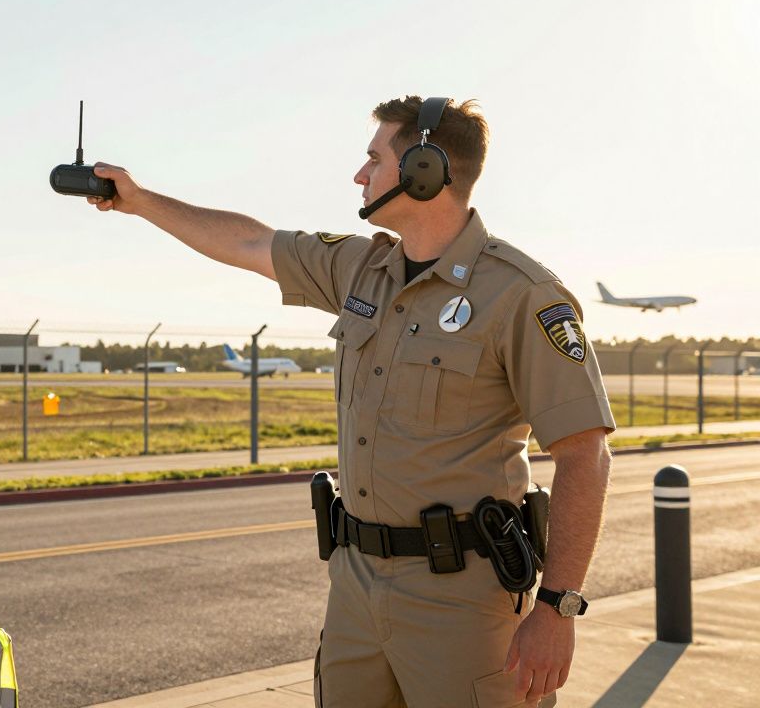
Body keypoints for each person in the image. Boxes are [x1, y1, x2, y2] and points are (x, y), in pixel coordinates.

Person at [81, 96, 615, 707]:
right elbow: (251, 242)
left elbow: (585, 456)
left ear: (425, 170)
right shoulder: (362, 268)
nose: (359, 175)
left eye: (373, 158)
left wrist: (557, 609)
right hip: (355, 583)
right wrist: (139, 199)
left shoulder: (521, 294)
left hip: (462, 599)